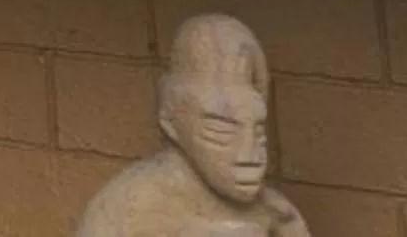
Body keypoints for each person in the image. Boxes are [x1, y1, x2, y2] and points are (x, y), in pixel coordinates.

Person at [72, 15, 310, 236]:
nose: (248, 156)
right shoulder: (127, 206)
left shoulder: (275, 212)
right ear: (172, 122)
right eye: (220, 132)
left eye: (258, 133)